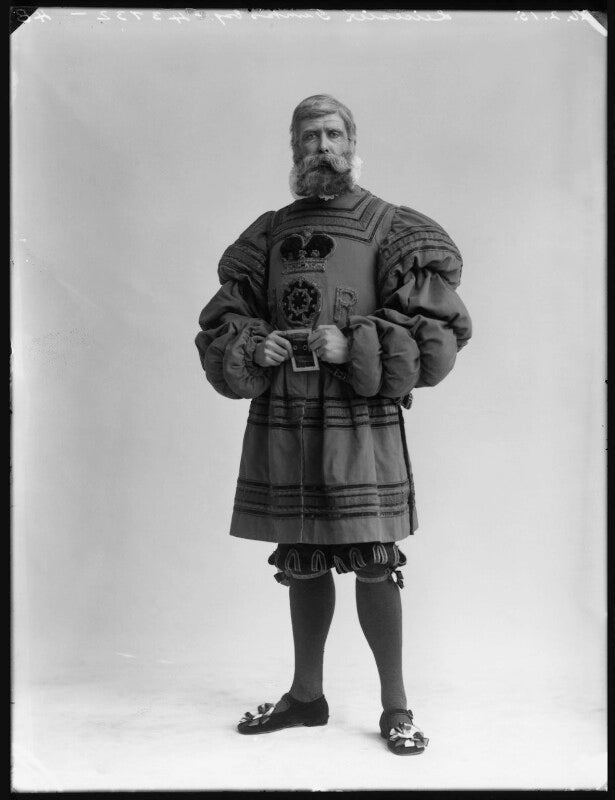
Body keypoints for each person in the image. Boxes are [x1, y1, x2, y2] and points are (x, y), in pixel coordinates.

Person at [195, 94, 472, 755]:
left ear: (352, 142)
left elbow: (437, 331)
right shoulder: (267, 234)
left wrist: (356, 344)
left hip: (360, 417)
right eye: (309, 136)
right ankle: (306, 696)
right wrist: (254, 342)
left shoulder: (392, 227)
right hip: (286, 418)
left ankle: (396, 708)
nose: (322, 146)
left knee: (375, 561)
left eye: (333, 134)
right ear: (294, 148)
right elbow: (225, 316)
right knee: (303, 559)